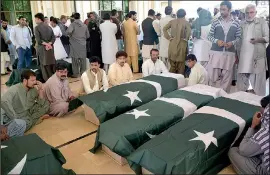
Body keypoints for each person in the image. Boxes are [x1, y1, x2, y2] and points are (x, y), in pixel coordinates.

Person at [228, 95, 269, 175]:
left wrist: (253, 125)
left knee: (233, 151)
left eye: (263, 107)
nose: (260, 109)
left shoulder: (267, 131)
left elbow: (243, 150)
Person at [207, 1, 241, 93]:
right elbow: (209, 36)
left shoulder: (236, 23)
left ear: (229, 10)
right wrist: (216, 41)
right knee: (212, 77)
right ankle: (211, 96)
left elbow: (238, 38)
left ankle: (224, 98)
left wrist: (232, 43)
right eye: (221, 9)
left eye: (224, 9)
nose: (222, 12)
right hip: (216, 52)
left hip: (229, 53)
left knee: (227, 77)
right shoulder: (215, 22)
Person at [237, 4, 269, 96]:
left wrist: (257, 40)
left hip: (257, 57)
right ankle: (241, 101)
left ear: (256, 13)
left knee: (259, 84)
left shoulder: (262, 22)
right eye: (247, 13)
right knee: (242, 83)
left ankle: (259, 105)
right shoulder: (241, 24)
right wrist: (236, 55)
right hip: (243, 57)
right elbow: (238, 40)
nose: (249, 15)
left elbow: (267, 37)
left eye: (251, 12)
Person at [163, 9, 191, 74]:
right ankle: (179, 82)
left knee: (172, 65)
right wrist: (186, 38)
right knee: (181, 66)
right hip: (182, 44)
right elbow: (189, 31)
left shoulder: (172, 21)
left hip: (172, 44)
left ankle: (171, 81)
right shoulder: (186, 22)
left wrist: (169, 38)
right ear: (184, 15)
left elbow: (164, 29)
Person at [34, 13, 56, 81]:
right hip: (50, 48)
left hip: (42, 49)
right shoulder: (49, 27)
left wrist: (46, 44)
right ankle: (54, 79)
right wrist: (49, 43)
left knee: (44, 66)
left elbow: (38, 40)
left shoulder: (37, 27)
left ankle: (48, 81)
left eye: (35, 19)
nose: (35, 20)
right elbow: (53, 38)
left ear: (38, 19)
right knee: (51, 64)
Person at [67, 12, 90, 78]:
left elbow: (68, 32)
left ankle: (76, 74)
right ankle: (83, 73)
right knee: (83, 60)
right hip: (83, 44)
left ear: (73, 17)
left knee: (75, 60)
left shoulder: (72, 25)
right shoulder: (84, 25)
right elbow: (88, 35)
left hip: (74, 45)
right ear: (79, 17)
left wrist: (71, 36)